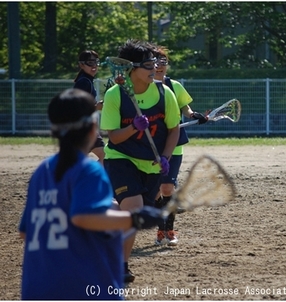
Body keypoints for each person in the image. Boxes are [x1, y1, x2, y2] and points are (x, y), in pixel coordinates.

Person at [19, 88, 164, 299]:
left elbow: (26, 231)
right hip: (84, 285)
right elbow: (85, 216)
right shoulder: (88, 170)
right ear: (93, 128)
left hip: (38, 286)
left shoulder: (42, 171)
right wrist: (134, 218)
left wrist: (112, 210)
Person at [100, 39, 180, 282]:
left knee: (133, 217)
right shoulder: (116, 94)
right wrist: (134, 128)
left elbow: (174, 129)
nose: (154, 68)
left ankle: (106, 229)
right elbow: (112, 136)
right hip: (121, 158)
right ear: (132, 68)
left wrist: (165, 157)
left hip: (152, 164)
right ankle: (122, 266)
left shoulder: (165, 92)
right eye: (148, 65)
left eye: (155, 63)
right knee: (133, 209)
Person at [152, 46, 208, 246]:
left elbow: (186, 108)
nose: (159, 66)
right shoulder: (141, 87)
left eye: (163, 62)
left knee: (167, 188)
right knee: (154, 192)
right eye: (155, 62)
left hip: (173, 145)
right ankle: (160, 227)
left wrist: (194, 115)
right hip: (149, 145)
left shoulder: (174, 86)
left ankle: (168, 230)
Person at [73, 50, 105, 165]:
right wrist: (97, 107)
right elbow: (78, 107)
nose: (94, 66)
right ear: (81, 65)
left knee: (78, 162)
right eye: (90, 62)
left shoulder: (86, 80)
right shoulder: (84, 82)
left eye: (96, 62)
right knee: (105, 156)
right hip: (83, 128)